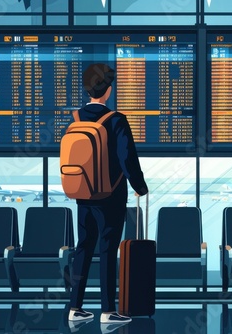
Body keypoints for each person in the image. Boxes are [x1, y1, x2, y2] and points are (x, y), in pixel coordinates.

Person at [68, 63, 148, 325]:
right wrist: (140, 186)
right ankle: (107, 311)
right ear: (109, 90)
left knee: (83, 248)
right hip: (110, 197)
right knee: (107, 251)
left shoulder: (76, 118)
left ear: (87, 89)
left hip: (82, 194)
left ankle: (75, 307)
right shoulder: (115, 120)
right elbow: (128, 159)